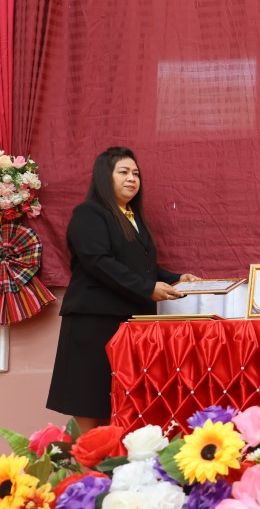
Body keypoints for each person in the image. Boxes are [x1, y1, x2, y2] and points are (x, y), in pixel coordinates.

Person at [47, 147, 198, 433]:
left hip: (128, 321)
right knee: (89, 397)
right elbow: (98, 261)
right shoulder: (88, 213)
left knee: (121, 398)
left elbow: (142, 267)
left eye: (136, 174)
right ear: (104, 177)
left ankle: (112, 458)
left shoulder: (133, 216)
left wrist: (177, 278)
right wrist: (146, 288)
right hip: (94, 320)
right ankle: (87, 459)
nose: (132, 179)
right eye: (124, 172)